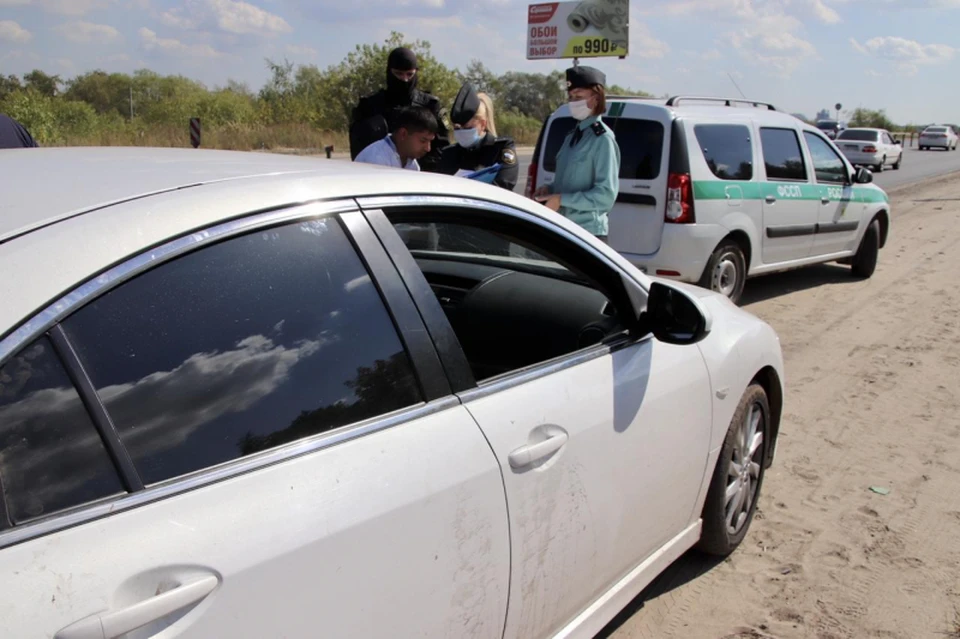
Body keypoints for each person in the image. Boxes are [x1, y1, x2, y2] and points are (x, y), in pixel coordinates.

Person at [534, 65, 620, 243]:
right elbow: (569, 182)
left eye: (579, 97)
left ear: (596, 99)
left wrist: (561, 199)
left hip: (588, 234)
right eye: (571, 97)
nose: (573, 102)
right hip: (564, 228)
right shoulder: (572, 137)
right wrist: (549, 191)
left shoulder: (602, 139)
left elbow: (605, 196)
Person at [349, 47, 449, 173]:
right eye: (399, 74)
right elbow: (358, 147)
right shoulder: (369, 106)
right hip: (378, 171)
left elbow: (441, 149)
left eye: (409, 74)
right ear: (389, 72)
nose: (404, 80)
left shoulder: (430, 104)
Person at [438, 83, 519, 191]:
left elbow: (505, 184)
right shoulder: (449, 154)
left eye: (467, 127)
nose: (462, 132)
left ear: (483, 124)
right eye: (457, 128)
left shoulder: (501, 149)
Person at [354, 105, 437, 171]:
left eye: (430, 142)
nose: (428, 148)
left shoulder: (412, 164)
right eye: (423, 141)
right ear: (403, 134)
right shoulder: (375, 161)